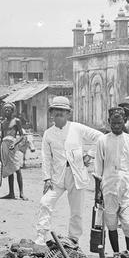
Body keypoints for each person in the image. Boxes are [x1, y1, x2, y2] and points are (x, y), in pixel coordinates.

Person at [36, 96, 101, 246]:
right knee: (45, 202)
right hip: (57, 177)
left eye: (62, 111)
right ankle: (41, 235)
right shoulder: (48, 133)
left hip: (76, 175)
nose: (59, 113)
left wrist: (89, 154)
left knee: (76, 211)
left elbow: (100, 137)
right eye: (56, 110)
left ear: (68, 113)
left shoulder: (77, 128)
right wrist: (46, 178)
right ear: (51, 113)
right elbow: (46, 157)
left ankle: (73, 238)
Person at [95, 107, 129, 257]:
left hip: (127, 187)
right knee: (111, 224)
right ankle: (116, 255)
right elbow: (98, 167)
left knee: (128, 224)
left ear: (124, 122)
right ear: (109, 122)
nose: (116, 126)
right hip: (108, 187)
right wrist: (98, 192)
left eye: (119, 123)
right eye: (113, 123)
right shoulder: (102, 140)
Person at [0, 102, 27, 200]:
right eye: (5, 109)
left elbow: (22, 135)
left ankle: (21, 193)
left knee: (17, 169)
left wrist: (15, 143)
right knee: (9, 169)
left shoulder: (16, 121)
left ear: (12, 111)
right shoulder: (2, 123)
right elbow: (2, 137)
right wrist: (0, 152)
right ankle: (11, 193)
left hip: (13, 146)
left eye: (9, 109)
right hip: (4, 146)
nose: (7, 111)